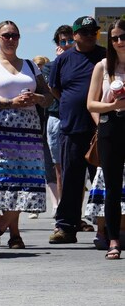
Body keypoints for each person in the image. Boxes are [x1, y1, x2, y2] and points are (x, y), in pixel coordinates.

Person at [0, 22, 53, 250]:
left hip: (28, 133)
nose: (11, 39)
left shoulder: (30, 65)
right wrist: (10, 102)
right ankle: (3, 230)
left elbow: (48, 97)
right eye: (6, 35)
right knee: (5, 182)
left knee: (29, 181)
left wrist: (36, 98)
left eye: (15, 35)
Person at [49, 16, 107, 244]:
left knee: (102, 180)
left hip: (101, 128)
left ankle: (108, 227)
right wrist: (72, 102)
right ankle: (66, 227)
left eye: (93, 32)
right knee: (72, 180)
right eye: (84, 32)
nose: (90, 35)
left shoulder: (105, 56)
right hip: (72, 127)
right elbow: (55, 88)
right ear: (74, 36)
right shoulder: (64, 60)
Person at [86, 18, 125, 260]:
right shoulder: (102, 66)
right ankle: (113, 240)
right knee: (111, 187)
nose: (120, 42)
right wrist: (113, 105)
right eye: (115, 38)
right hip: (110, 127)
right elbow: (91, 103)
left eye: (123, 36)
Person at [43, 25, 75, 203]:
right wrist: (62, 60)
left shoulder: (85, 63)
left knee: (79, 168)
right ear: (57, 44)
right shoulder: (50, 67)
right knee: (60, 168)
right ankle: (64, 211)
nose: (67, 44)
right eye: (63, 41)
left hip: (80, 118)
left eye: (70, 40)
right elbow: (53, 87)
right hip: (57, 118)